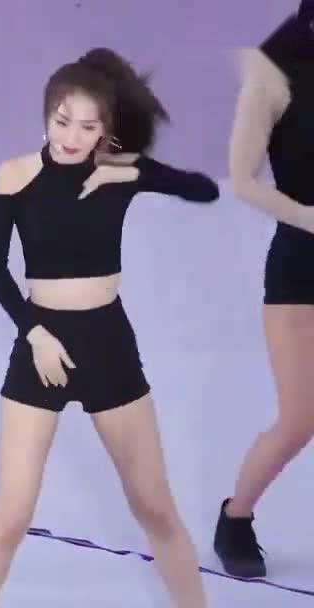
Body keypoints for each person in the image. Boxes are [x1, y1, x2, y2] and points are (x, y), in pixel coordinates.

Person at [0, 47, 219, 608]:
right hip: (41, 343)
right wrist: (34, 333)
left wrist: (127, 170)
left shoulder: (115, 171)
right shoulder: (15, 175)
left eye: (87, 126)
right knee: (11, 517)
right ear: (46, 115)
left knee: (155, 508)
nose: (71, 137)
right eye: (62, 121)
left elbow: (205, 189)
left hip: (108, 344)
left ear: (105, 128)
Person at [214, 1, 314, 579]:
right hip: (304, 267)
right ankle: (236, 517)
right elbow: (243, 179)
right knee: (301, 418)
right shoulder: (273, 69)